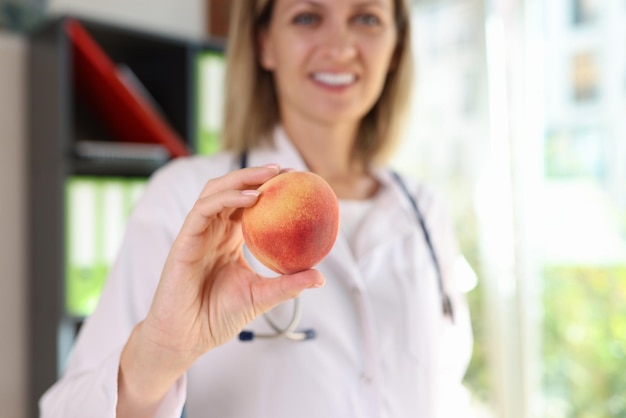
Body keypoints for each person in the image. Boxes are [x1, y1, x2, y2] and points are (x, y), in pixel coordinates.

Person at [40, 0, 474, 417]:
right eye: (307, 17)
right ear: (265, 43)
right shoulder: (187, 198)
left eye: (367, 18)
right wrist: (163, 350)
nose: (340, 47)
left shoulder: (424, 209)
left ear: (396, 45)